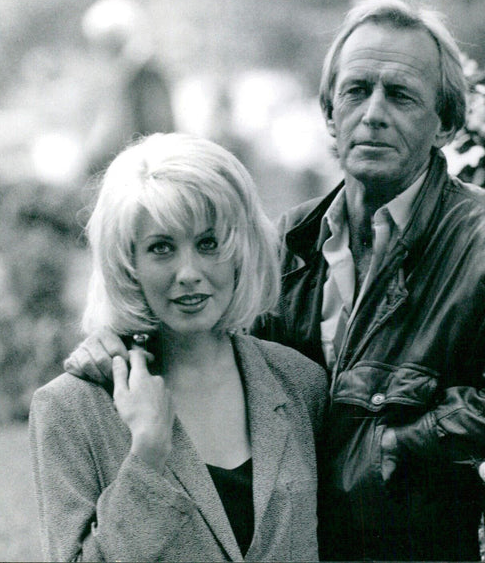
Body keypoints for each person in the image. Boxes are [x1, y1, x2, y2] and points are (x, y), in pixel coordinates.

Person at [64, 0, 485, 561]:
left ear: (445, 123)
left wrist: (385, 447)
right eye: (355, 91)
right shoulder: (281, 245)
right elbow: (208, 340)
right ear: (329, 112)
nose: (373, 113)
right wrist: (125, 340)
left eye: (400, 95)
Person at [30, 133, 327, 562]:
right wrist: (146, 454)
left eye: (208, 243)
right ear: (127, 263)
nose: (188, 272)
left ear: (241, 251)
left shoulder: (301, 384)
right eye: (161, 248)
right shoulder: (70, 409)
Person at [79, 0, 176, 177]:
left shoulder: (147, 78)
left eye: (106, 43)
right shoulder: (123, 78)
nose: (101, 52)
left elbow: (157, 134)